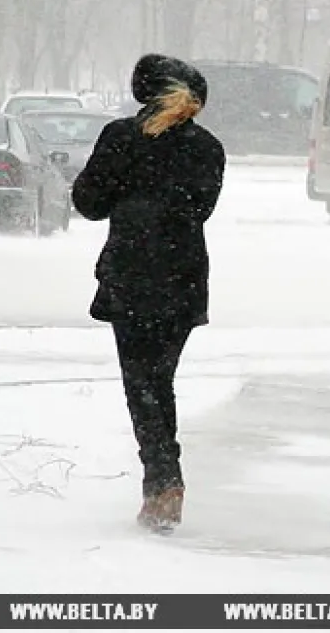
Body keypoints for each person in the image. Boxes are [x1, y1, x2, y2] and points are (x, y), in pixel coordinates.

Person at [71, 54, 226, 533]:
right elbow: (199, 210)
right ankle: (163, 482)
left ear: (145, 92)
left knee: (143, 384)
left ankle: (162, 482)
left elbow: (88, 203)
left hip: (133, 274)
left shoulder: (122, 138)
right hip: (182, 279)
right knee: (158, 380)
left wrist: (127, 190)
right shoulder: (208, 148)